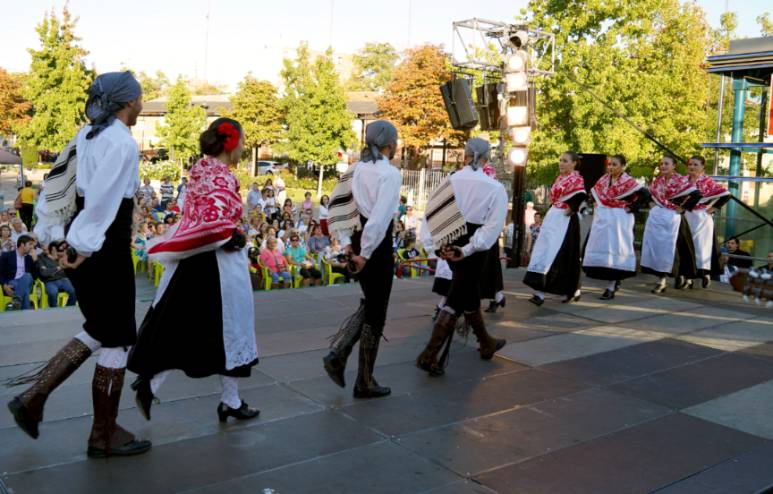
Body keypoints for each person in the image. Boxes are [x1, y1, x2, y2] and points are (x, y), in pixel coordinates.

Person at [8, 71, 151, 458]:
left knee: (100, 328)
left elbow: (57, 185)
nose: (141, 104)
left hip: (83, 237)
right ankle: (103, 434)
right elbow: (104, 203)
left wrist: (57, 236)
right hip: (103, 245)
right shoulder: (121, 142)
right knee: (116, 338)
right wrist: (79, 247)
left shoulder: (87, 135)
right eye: (139, 99)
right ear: (128, 102)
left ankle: (35, 397)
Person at [128, 118, 260, 425]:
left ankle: (226, 399)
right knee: (226, 330)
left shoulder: (201, 170)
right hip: (218, 265)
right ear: (231, 143)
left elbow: (198, 216)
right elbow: (215, 222)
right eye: (242, 140)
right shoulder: (221, 176)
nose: (244, 146)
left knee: (184, 327)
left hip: (193, 259)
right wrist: (231, 236)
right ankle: (156, 386)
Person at [323, 120, 402, 399]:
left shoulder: (356, 169)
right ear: (390, 144)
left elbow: (341, 207)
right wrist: (366, 254)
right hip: (375, 246)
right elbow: (379, 219)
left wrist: (348, 244)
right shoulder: (390, 174)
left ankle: (339, 355)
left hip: (356, 237)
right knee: (377, 311)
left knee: (371, 303)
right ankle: (363, 380)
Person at [416, 138, 507, 376]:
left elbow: (430, 215)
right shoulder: (495, 188)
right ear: (487, 159)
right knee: (457, 297)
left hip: (449, 240)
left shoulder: (449, 181)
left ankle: (486, 342)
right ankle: (428, 355)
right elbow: (491, 228)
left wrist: (437, 247)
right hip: (474, 248)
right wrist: (467, 249)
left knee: (465, 292)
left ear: (465, 156)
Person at [582, 155, 650, 300]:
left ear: (623, 166)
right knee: (601, 248)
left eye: (614, 164)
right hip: (602, 219)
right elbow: (593, 194)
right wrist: (593, 202)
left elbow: (645, 195)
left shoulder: (628, 182)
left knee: (616, 249)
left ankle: (611, 286)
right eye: (609, 164)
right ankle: (611, 280)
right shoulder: (603, 180)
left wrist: (632, 207)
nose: (611, 167)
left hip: (620, 219)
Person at [524, 152, 587, 306]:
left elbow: (580, 196)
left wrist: (571, 208)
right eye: (560, 160)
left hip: (566, 221)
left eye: (565, 161)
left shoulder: (577, 179)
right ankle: (540, 292)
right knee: (544, 251)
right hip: (553, 217)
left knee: (563, 255)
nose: (561, 163)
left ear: (574, 163)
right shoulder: (559, 178)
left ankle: (571, 288)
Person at [640, 156, 701, 294]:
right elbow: (648, 194)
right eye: (661, 163)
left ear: (674, 166)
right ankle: (661, 281)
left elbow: (696, 194)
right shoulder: (658, 181)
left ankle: (679, 274)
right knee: (659, 248)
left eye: (666, 163)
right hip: (659, 219)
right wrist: (652, 205)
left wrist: (683, 207)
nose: (663, 166)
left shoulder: (680, 180)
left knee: (678, 250)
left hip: (675, 220)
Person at [685, 155, 730, 288]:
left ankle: (704, 273)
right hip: (685, 215)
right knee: (686, 245)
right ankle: (687, 275)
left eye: (695, 164)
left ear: (703, 167)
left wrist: (713, 208)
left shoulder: (707, 181)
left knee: (700, 247)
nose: (692, 167)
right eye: (690, 164)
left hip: (701, 218)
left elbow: (726, 194)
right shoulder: (683, 180)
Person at [35, 240, 77, 307]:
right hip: (49, 281)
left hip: (62, 279)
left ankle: (68, 308)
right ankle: (54, 310)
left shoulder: (61, 257)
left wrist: (52, 268)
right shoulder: (41, 258)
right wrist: (58, 268)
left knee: (73, 291)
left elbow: (66, 269)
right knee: (53, 293)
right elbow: (44, 273)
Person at [0, 234, 37, 310]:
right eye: (30, 244)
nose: (32, 247)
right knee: (25, 291)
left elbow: (35, 277)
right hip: (11, 283)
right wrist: (4, 285)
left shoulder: (29, 258)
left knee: (27, 275)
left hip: (26, 282)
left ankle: (16, 300)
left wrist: (35, 262)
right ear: (22, 244)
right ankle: (20, 307)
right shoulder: (7, 256)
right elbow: (0, 273)